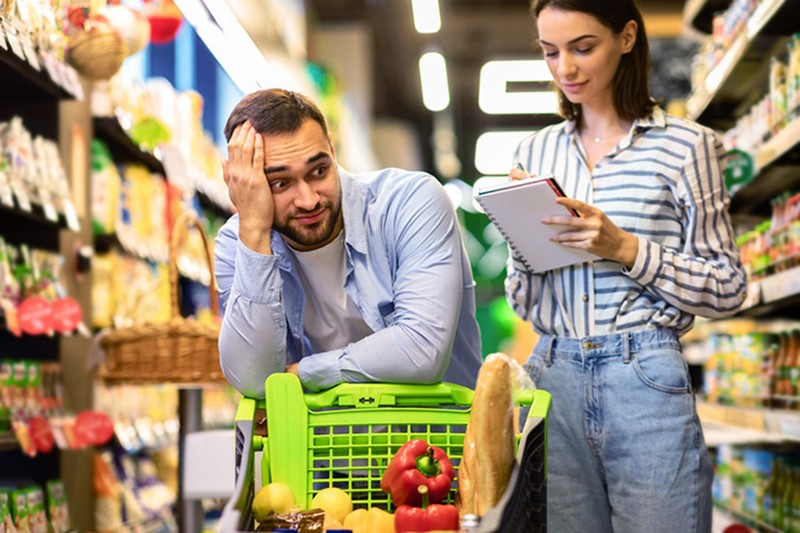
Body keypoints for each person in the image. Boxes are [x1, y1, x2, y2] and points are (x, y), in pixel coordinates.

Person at [507, 1, 747, 531]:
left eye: (582, 47)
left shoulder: (687, 147)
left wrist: (626, 248)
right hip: (553, 376)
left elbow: (730, 287)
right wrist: (523, 242)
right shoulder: (535, 149)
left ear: (628, 37)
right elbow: (522, 302)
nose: (564, 68)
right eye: (550, 51)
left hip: (645, 376)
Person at [214, 88, 482, 399]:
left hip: (436, 438)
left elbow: (421, 350)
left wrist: (303, 373)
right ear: (245, 182)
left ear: (332, 150)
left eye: (318, 171)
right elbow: (251, 379)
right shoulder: (239, 242)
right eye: (280, 183)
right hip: (320, 447)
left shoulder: (410, 202)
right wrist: (254, 231)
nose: (308, 200)